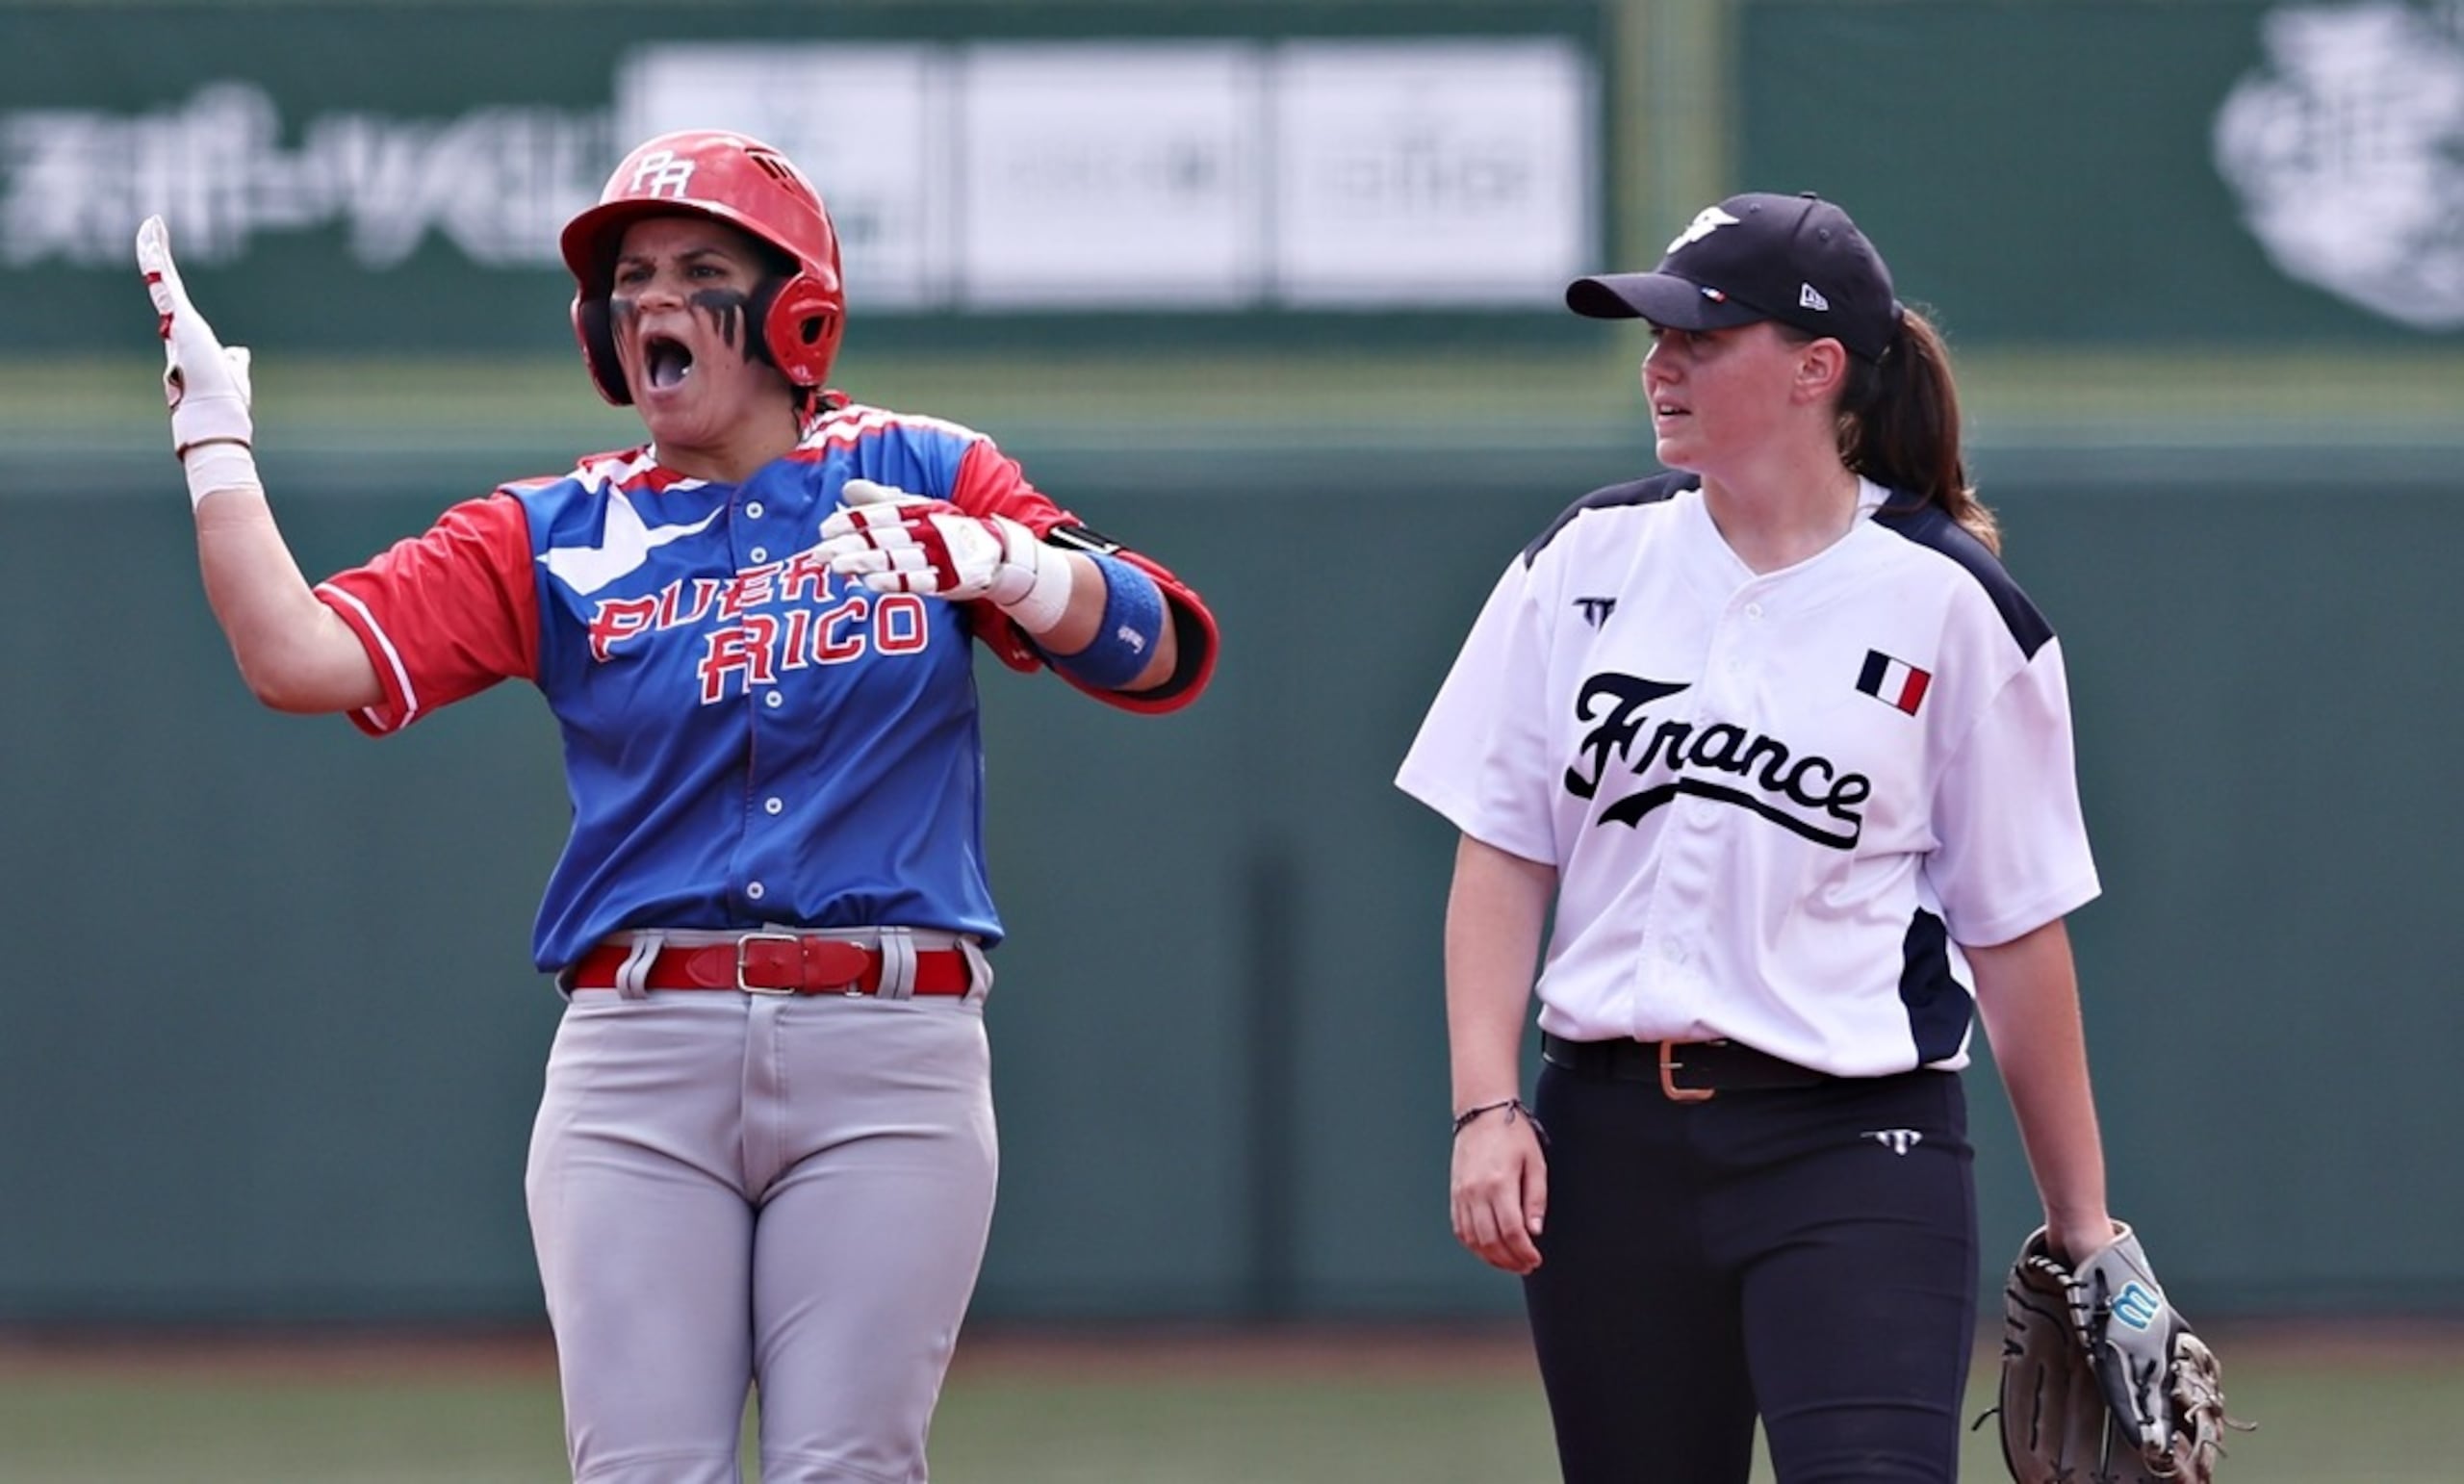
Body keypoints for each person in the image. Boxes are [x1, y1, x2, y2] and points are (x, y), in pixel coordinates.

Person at [135, 128, 1218, 1484]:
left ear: (795, 311)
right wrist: (214, 441)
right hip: (639, 1051)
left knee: (850, 1467)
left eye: (701, 269)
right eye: (630, 275)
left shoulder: (926, 468)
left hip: (889, 1046)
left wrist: (1015, 567)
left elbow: (1159, 646)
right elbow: (297, 657)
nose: (651, 300)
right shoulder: (552, 528)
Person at [1394, 192, 2118, 1483]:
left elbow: (2016, 936)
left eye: (1700, 335)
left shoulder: (1952, 606)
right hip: (1605, 1145)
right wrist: (1483, 1104)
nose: (1658, 362)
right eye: (1653, 334)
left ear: (1816, 367)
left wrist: (2086, 1232)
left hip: (1855, 1148)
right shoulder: (1582, 561)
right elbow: (1504, 849)